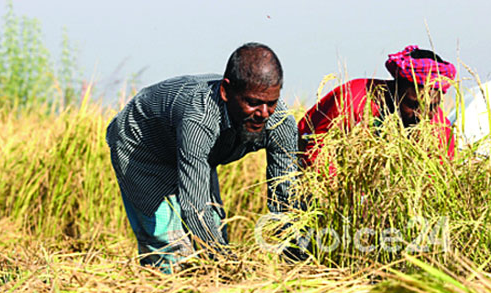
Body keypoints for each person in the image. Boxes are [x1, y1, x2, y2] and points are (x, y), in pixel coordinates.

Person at [106, 43, 298, 272]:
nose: (263, 114)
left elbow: (285, 195)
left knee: (215, 227)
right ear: (227, 92)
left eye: (271, 103)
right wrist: (230, 268)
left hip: (194, 152)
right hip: (144, 146)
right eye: (253, 103)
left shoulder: (280, 122)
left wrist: (294, 259)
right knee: (171, 247)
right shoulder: (199, 118)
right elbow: (194, 206)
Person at [298, 45, 457, 170]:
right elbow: (318, 156)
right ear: (395, 90)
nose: (421, 115)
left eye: (431, 106)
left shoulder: (439, 127)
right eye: (414, 104)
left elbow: (438, 175)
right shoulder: (355, 100)